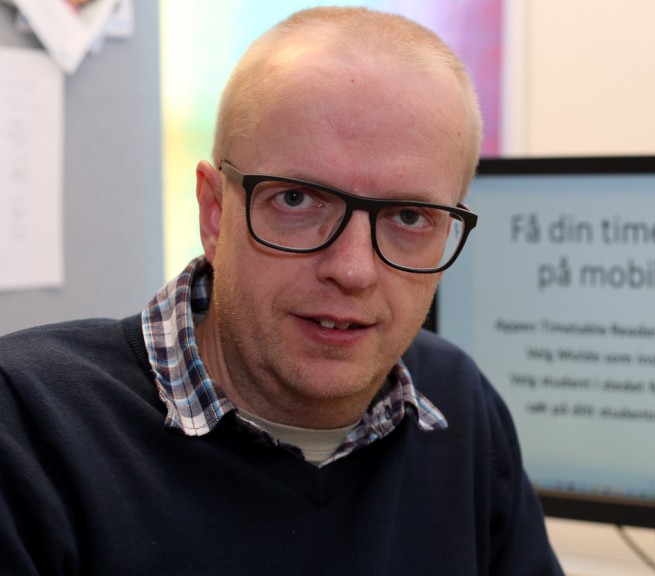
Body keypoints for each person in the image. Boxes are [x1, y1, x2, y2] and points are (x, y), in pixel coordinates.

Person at [0, 7, 564, 575]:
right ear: (215, 212)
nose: (353, 270)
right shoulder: (29, 426)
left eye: (409, 217)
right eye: (296, 200)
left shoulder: (458, 405)